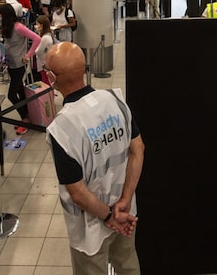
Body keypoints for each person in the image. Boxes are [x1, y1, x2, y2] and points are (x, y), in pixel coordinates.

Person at [44, 41, 144, 275]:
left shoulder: (62, 128)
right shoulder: (115, 100)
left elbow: (77, 193)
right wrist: (125, 201)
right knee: (128, 264)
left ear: (51, 77)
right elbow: (138, 148)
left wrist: (109, 216)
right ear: (85, 69)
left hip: (89, 226)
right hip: (126, 210)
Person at [0, 3, 41, 135]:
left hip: (19, 64)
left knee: (12, 94)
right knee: (21, 91)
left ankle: (25, 119)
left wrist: (28, 55)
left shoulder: (19, 27)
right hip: (10, 63)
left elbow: (36, 39)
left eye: (0, 14)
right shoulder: (8, 27)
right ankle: (28, 116)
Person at [33, 15, 55, 82]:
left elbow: (38, 51)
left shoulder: (45, 38)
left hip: (44, 64)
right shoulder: (47, 36)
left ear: (42, 26)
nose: (36, 26)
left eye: (37, 24)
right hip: (45, 63)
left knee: (46, 83)